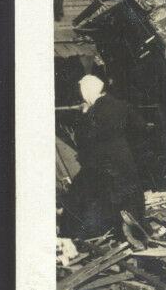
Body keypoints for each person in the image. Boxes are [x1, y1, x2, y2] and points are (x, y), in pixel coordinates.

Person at [62, 75, 149, 239]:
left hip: (101, 162)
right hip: (122, 157)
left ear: (87, 92)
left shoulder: (93, 112)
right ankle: (131, 231)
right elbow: (140, 127)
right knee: (128, 195)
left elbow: (82, 138)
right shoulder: (121, 105)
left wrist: (85, 114)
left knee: (88, 196)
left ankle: (84, 234)